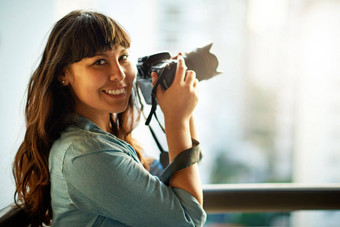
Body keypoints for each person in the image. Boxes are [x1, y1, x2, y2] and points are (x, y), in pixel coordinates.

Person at [13, 10, 206, 227]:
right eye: (99, 62)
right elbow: (188, 220)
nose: (120, 74)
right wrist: (177, 119)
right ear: (63, 74)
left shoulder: (100, 138)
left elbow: (183, 174)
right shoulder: (86, 153)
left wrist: (182, 106)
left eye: (123, 57)